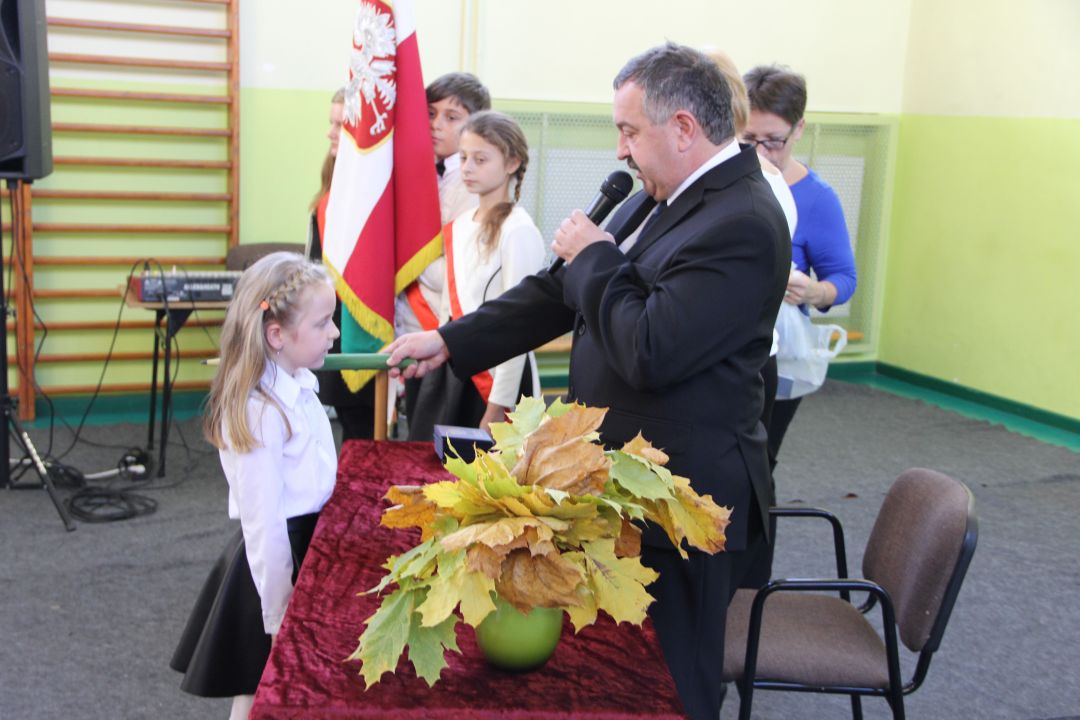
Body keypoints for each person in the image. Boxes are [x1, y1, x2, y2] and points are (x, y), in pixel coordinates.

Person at [386, 43, 790, 720]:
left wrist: (597, 258)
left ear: (684, 128)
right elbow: (557, 291)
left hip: (682, 498)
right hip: (623, 480)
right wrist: (452, 340)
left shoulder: (742, 220)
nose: (620, 150)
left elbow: (651, 350)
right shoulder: (660, 196)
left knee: (671, 680)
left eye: (629, 131)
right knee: (615, 672)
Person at [170, 253, 340, 720]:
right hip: (276, 564)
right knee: (260, 688)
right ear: (276, 335)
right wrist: (280, 613)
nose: (334, 333)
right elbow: (263, 522)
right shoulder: (259, 411)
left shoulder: (299, 383)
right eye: (322, 323)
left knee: (279, 687)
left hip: (306, 547)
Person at [743, 64, 858, 468]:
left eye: (774, 141)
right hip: (723, 349)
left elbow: (844, 278)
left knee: (760, 463)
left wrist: (814, 291)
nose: (760, 152)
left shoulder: (817, 198)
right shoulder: (725, 184)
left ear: (799, 130)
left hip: (779, 351)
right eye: (748, 139)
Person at [407, 111, 545, 440]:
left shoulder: (519, 230)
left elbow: (519, 326)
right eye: (463, 157)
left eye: (480, 159)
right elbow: (448, 309)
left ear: (512, 163)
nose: (467, 168)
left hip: (497, 379)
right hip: (454, 369)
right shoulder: (459, 225)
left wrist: (499, 405)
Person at [396, 73, 491, 425]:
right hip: (414, 324)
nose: (436, 125)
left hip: (444, 329)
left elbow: (457, 270)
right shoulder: (424, 173)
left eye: (451, 117)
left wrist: (405, 260)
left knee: (440, 434)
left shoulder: (468, 185)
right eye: (431, 114)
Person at [307, 88, 376, 440]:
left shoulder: (369, 189)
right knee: (348, 421)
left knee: (361, 422)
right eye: (331, 123)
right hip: (332, 315)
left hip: (359, 320)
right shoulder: (334, 180)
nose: (330, 133)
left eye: (339, 125)